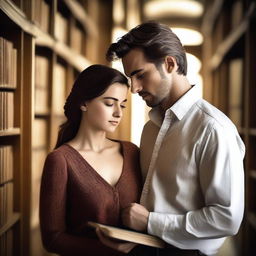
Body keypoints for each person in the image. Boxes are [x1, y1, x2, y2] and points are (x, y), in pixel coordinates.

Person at [106, 21, 245, 256]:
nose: (134, 88)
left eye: (140, 75)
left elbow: (226, 218)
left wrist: (151, 222)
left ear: (169, 63)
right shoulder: (150, 128)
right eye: (130, 78)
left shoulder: (213, 129)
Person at [39, 64, 142, 256]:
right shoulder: (60, 160)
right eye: (110, 103)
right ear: (84, 103)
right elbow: (52, 238)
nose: (118, 113)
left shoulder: (132, 152)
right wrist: (109, 250)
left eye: (123, 105)